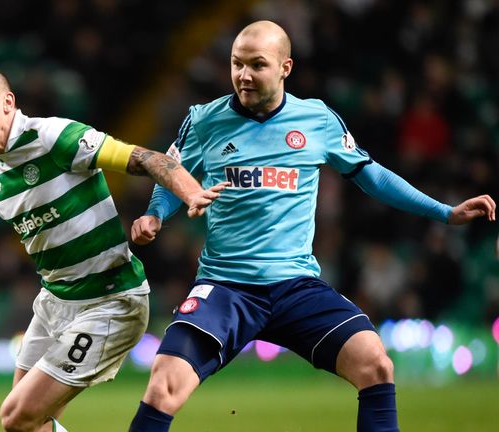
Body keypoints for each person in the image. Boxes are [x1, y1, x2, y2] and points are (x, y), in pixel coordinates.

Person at [128, 20, 496, 432]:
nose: (243, 75)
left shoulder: (317, 120)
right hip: (226, 288)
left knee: (375, 364)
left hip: (295, 287)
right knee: (163, 386)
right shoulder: (203, 120)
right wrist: (155, 215)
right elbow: (171, 173)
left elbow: (371, 175)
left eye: (257, 65)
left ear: (286, 67)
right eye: (236, 64)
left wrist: (444, 212)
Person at [0, 66, 225, 432]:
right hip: (55, 304)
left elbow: (142, 157)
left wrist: (188, 191)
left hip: (111, 301)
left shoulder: (54, 137)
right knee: (26, 426)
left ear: (7, 102)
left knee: (15, 415)